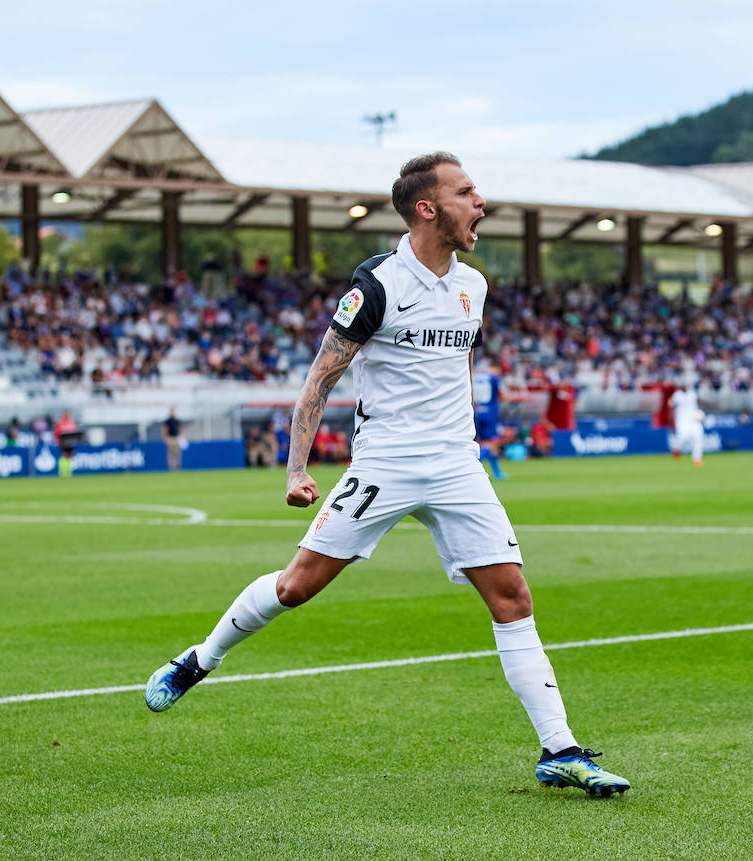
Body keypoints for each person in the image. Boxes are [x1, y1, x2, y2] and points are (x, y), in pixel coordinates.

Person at [144, 152, 629, 797]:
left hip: (458, 464)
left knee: (513, 601)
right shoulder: (375, 287)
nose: (480, 202)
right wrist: (295, 469)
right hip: (386, 464)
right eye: (467, 192)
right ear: (428, 208)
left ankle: (558, 749)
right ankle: (200, 660)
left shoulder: (473, 287)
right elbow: (321, 378)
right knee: (295, 588)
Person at [473, 360, 508, 480]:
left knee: (484, 443)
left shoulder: (475, 377)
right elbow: (502, 396)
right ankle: (474, 466)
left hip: (477, 412)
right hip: (490, 413)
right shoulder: (494, 378)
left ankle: (497, 472)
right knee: (492, 443)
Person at [669, 380, 708, 467]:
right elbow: (671, 407)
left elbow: (699, 401)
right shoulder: (677, 395)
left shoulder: (692, 393)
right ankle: (676, 448)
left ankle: (697, 459)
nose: (684, 386)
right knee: (683, 437)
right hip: (682, 420)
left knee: (699, 437)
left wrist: (712, 403)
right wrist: (671, 421)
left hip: (694, 419)